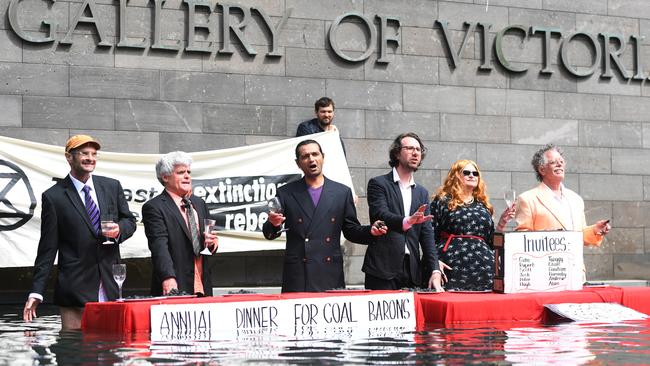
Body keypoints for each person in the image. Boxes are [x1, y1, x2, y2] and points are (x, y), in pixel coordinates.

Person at [23, 135, 136, 330]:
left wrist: (119, 230)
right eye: (84, 153)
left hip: (111, 283)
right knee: (74, 352)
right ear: (69, 157)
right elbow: (47, 249)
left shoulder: (111, 186)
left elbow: (129, 221)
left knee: (111, 350)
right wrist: (36, 292)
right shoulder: (53, 197)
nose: (90, 158)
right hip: (74, 290)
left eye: (94, 154)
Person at [262, 139, 387, 292]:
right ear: (298, 163)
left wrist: (370, 231)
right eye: (305, 156)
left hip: (329, 273)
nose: (311, 159)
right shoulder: (286, 193)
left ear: (323, 157)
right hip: (299, 274)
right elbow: (269, 233)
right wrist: (274, 224)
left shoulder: (342, 192)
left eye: (315, 154)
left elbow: (351, 230)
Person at [362, 132, 444, 291]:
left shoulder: (422, 192)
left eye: (418, 150)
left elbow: (426, 234)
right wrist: (408, 221)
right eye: (410, 148)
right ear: (397, 153)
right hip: (382, 269)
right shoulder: (379, 184)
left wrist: (435, 270)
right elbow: (381, 214)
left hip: (412, 271)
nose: (415, 153)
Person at [142, 151, 218, 296]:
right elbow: (159, 247)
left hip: (203, 284)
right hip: (175, 284)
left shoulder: (199, 203)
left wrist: (212, 243)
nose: (187, 176)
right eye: (181, 172)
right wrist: (168, 278)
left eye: (188, 171)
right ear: (165, 177)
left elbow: (207, 243)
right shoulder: (154, 207)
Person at [431, 160, 514, 291]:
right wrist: (434, 263)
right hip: (451, 268)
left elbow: (491, 242)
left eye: (475, 173)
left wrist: (502, 223)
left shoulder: (483, 205)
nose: (472, 176)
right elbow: (429, 234)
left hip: (484, 271)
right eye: (466, 172)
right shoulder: (442, 201)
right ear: (456, 175)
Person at [515, 144, 611, 245]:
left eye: (561, 162)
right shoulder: (527, 199)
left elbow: (581, 236)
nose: (559, 164)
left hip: (574, 260)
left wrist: (595, 230)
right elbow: (522, 238)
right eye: (553, 162)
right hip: (546, 259)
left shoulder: (576, 199)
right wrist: (546, 237)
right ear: (542, 170)